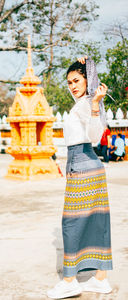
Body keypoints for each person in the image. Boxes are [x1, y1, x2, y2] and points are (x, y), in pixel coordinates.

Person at [47, 56, 112, 299]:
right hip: (85, 166)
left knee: (71, 223)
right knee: (95, 221)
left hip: (84, 165)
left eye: (77, 80)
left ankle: (70, 280)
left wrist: (95, 103)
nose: (72, 85)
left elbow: (95, 137)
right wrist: (88, 62)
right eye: (69, 82)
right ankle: (101, 279)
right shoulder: (82, 103)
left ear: (87, 80)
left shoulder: (88, 103)